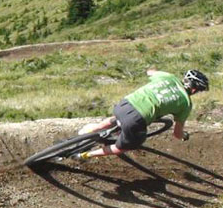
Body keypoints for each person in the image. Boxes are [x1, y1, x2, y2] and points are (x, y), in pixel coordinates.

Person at [71, 69, 209, 160]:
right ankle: (85, 155)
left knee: (114, 119)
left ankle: (88, 131)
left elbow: (149, 71)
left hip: (124, 104)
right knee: (123, 147)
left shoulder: (169, 77)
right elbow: (177, 134)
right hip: (136, 119)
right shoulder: (186, 103)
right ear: (195, 90)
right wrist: (184, 136)